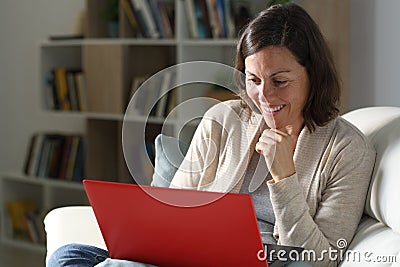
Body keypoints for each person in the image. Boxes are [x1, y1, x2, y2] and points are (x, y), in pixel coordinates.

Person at [48, 3, 375, 267]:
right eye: (253, 80)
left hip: (261, 260)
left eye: (280, 81)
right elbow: (173, 208)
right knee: (69, 255)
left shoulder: (347, 149)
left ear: (313, 75)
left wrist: (284, 178)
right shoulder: (224, 118)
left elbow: (320, 260)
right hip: (191, 252)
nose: (264, 97)